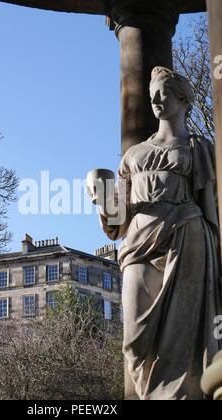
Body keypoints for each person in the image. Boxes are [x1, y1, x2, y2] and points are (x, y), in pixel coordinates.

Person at [96, 66, 222, 400]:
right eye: (151, 94)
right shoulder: (134, 155)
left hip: (187, 235)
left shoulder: (201, 148)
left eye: (162, 92)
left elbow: (214, 203)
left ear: (183, 98)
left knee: (184, 328)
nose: (155, 100)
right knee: (135, 339)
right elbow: (116, 221)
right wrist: (101, 192)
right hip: (138, 242)